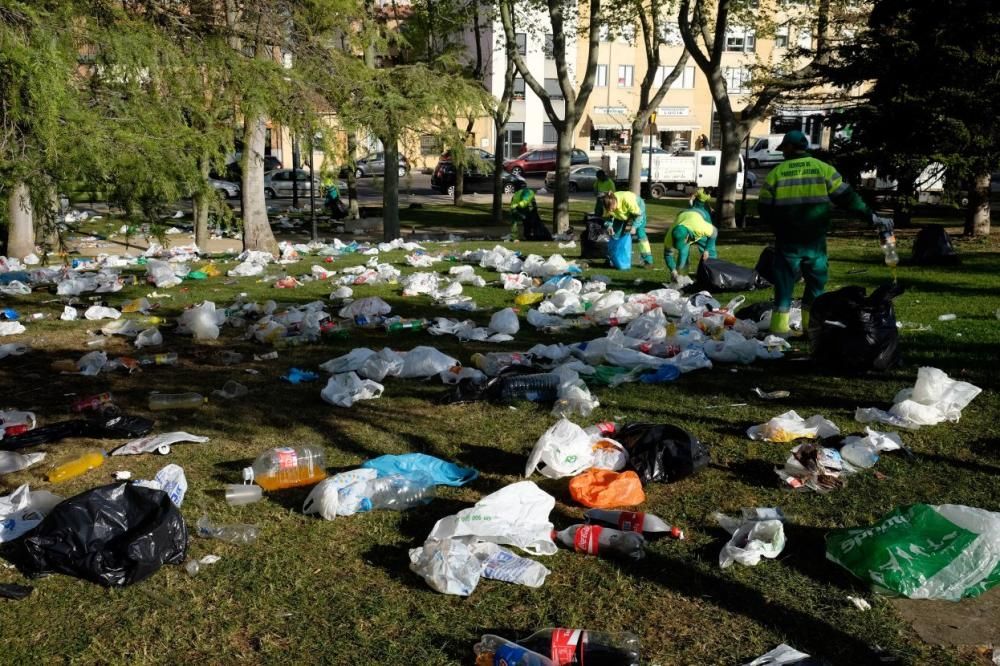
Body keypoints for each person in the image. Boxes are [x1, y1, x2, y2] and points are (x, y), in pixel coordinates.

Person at [758, 129, 893, 336]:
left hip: (788, 240)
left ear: (790, 148)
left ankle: (778, 329)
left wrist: (779, 226)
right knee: (815, 284)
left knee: (784, 285)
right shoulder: (824, 169)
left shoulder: (776, 174)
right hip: (815, 241)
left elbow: (764, 209)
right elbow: (848, 198)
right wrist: (871, 216)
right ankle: (812, 327)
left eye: (784, 148)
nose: (783, 152)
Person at [664, 190, 718, 281]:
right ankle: (682, 276)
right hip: (685, 216)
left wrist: (707, 250)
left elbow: (714, 232)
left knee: (709, 252)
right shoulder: (669, 237)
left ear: (687, 237)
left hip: (700, 216)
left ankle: (712, 275)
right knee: (683, 254)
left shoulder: (700, 227)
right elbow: (667, 255)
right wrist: (672, 270)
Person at [601, 190, 652, 266]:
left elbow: (639, 215)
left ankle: (647, 259)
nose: (611, 210)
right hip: (621, 215)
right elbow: (608, 217)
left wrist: (634, 226)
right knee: (615, 234)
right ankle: (613, 257)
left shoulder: (627, 199)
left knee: (640, 233)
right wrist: (609, 226)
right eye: (609, 209)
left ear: (615, 202)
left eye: (612, 208)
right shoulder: (608, 203)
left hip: (637, 210)